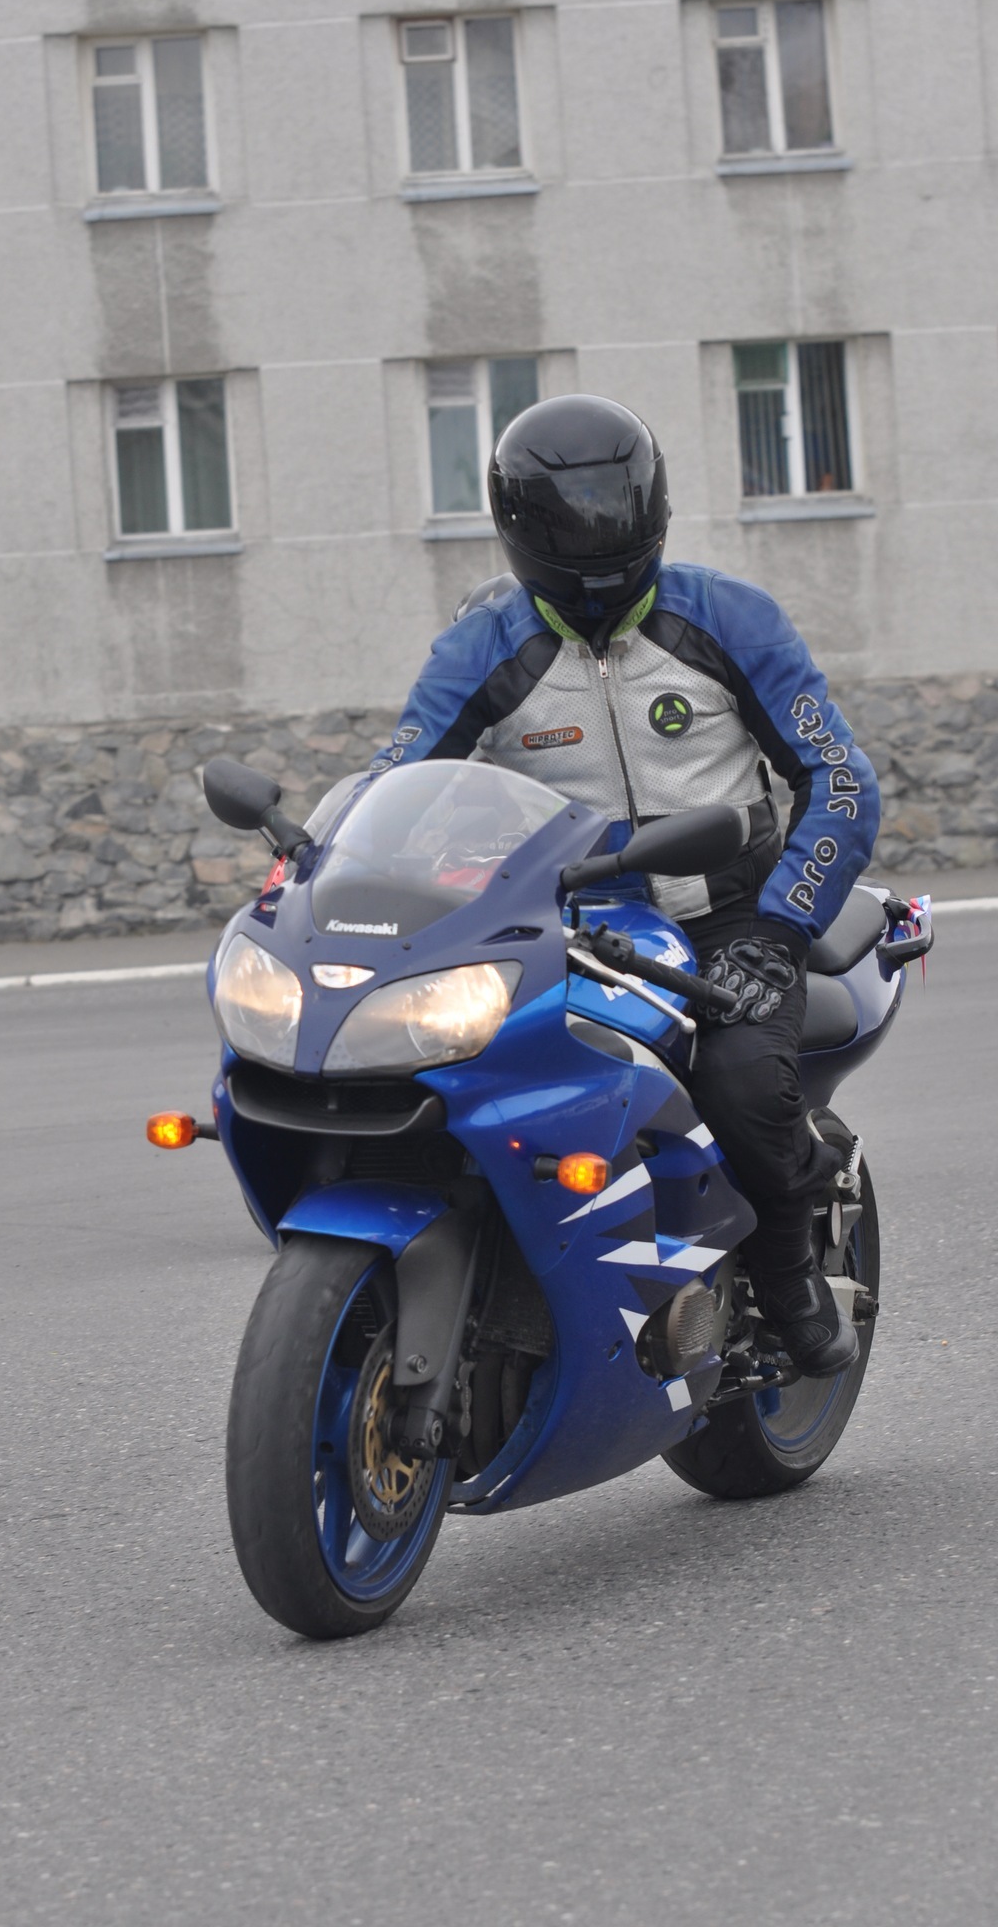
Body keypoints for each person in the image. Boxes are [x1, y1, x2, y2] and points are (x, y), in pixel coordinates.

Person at [371, 394, 880, 1376]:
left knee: (740, 1086)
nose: (595, 534)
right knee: (445, 1070)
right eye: (572, 515)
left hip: (731, 920)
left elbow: (841, 782)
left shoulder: (728, 617)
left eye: (614, 507)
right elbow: (393, 791)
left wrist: (779, 927)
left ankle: (788, 1273)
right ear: (518, 522)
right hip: (556, 926)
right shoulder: (480, 649)